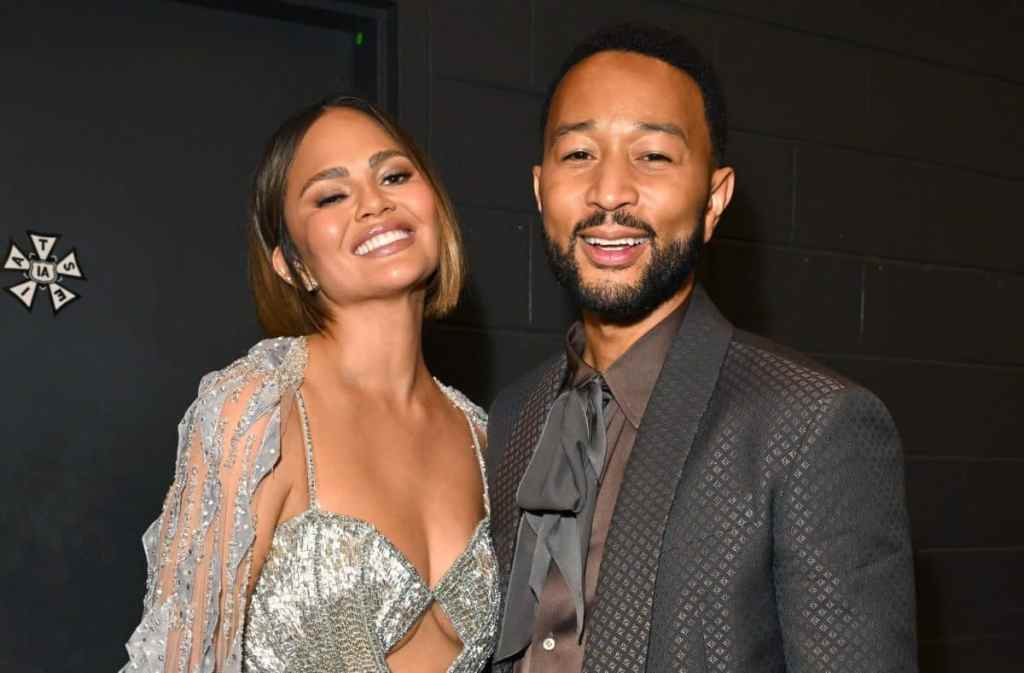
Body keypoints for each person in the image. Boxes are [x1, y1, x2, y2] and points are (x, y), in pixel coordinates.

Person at [486, 24, 917, 673]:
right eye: (579, 154)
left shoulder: (810, 424)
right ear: (542, 189)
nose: (609, 192)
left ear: (714, 200)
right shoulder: (513, 415)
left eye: (652, 156)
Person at [120, 95, 499, 673]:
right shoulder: (255, 409)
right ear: (292, 265)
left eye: (394, 175)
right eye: (331, 194)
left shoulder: (485, 437)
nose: (375, 203)